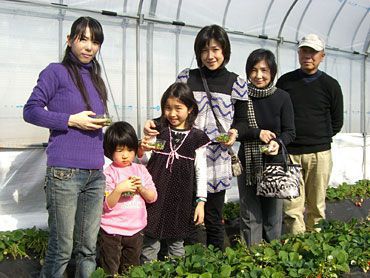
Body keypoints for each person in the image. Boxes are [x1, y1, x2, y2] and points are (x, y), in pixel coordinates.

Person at [144, 25, 248, 250]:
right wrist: (154, 122)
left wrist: (234, 132)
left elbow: (242, 119)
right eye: (204, 50)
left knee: (213, 217)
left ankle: (215, 263)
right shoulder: (187, 77)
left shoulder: (236, 82)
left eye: (216, 49)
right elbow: (175, 108)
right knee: (182, 211)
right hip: (185, 154)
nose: (210, 56)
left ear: (225, 51)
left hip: (217, 158)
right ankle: (182, 260)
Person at [23, 17, 109, 277]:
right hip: (65, 172)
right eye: (83, 39)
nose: (89, 46)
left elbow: (94, 128)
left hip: (95, 173)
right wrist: (71, 120)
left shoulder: (96, 79)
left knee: (87, 249)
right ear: (70, 40)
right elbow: (31, 111)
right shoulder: (55, 71)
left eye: (95, 41)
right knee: (61, 248)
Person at [276, 34, 344, 234]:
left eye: (313, 52)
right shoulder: (286, 82)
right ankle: (297, 247)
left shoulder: (331, 85)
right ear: (298, 53)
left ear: (322, 56)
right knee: (291, 207)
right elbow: (278, 114)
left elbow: (337, 121)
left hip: (320, 154)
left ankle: (315, 246)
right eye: (305, 51)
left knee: (317, 205)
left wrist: (319, 137)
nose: (308, 56)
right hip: (291, 154)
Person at [139, 82, 210, 262]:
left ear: (190, 108)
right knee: (150, 241)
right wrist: (141, 150)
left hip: (181, 199)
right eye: (167, 108)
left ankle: (175, 272)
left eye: (178, 108)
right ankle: (149, 273)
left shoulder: (197, 138)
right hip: (155, 196)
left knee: (176, 244)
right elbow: (144, 160)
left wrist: (201, 202)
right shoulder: (159, 131)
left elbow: (201, 171)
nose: (172, 113)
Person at [232, 49, 295, 246]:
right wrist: (256, 133)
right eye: (253, 70)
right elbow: (236, 129)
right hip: (248, 162)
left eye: (264, 70)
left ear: (272, 72)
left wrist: (278, 143)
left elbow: (290, 132)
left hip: (273, 163)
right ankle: (251, 257)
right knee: (250, 214)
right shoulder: (242, 97)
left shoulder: (282, 97)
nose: (258, 76)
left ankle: (272, 258)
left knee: (272, 216)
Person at [98, 121, 157, 275]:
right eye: (120, 150)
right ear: (110, 151)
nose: (125, 155)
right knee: (110, 267)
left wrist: (141, 189)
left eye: (130, 150)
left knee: (131, 268)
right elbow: (106, 205)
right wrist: (119, 189)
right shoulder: (108, 173)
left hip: (135, 229)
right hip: (111, 231)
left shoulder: (140, 170)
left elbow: (152, 197)